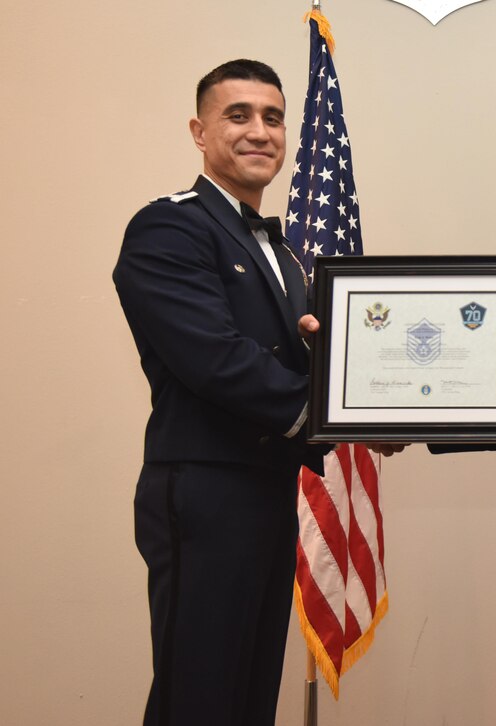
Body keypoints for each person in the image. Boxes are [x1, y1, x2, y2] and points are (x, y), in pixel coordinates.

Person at [113, 59, 327, 726]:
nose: (259, 131)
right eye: (238, 115)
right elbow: (219, 361)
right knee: (200, 693)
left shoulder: (282, 251)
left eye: (272, 117)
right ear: (199, 131)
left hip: (265, 488)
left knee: (248, 691)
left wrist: (356, 397)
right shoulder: (169, 228)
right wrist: (333, 419)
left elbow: (302, 360)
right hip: (205, 493)